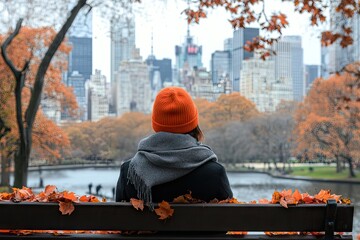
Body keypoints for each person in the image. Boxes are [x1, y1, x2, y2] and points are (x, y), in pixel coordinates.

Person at [116, 87, 233, 205]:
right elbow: (231, 219)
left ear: (155, 124)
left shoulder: (129, 172)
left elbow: (118, 219)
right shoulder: (215, 174)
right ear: (194, 124)